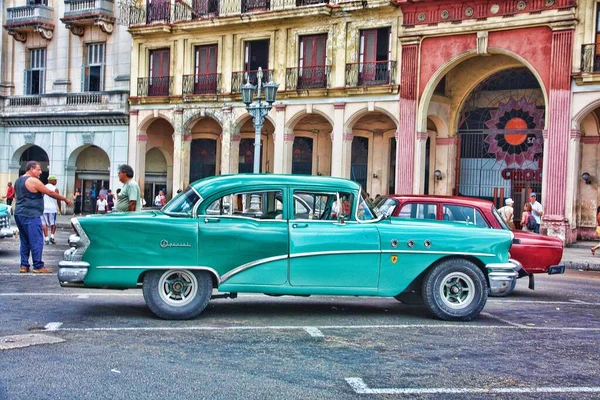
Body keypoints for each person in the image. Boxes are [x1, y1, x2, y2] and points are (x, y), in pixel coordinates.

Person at [14, 161, 72, 273]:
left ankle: (24, 265)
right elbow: (50, 193)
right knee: (36, 240)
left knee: (24, 240)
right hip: (31, 215)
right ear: (31, 169)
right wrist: (65, 199)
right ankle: (38, 266)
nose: (40, 172)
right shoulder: (33, 181)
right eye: (38, 169)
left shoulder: (19, 180)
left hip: (19, 213)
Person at [41, 175, 62, 245]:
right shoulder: (55, 189)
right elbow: (58, 199)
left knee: (44, 223)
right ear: (51, 181)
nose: (56, 182)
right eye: (55, 180)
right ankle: (52, 236)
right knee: (53, 223)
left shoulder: (43, 187)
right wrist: (60, 209)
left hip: (44, 209)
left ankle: (46, 238)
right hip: (52, 209)